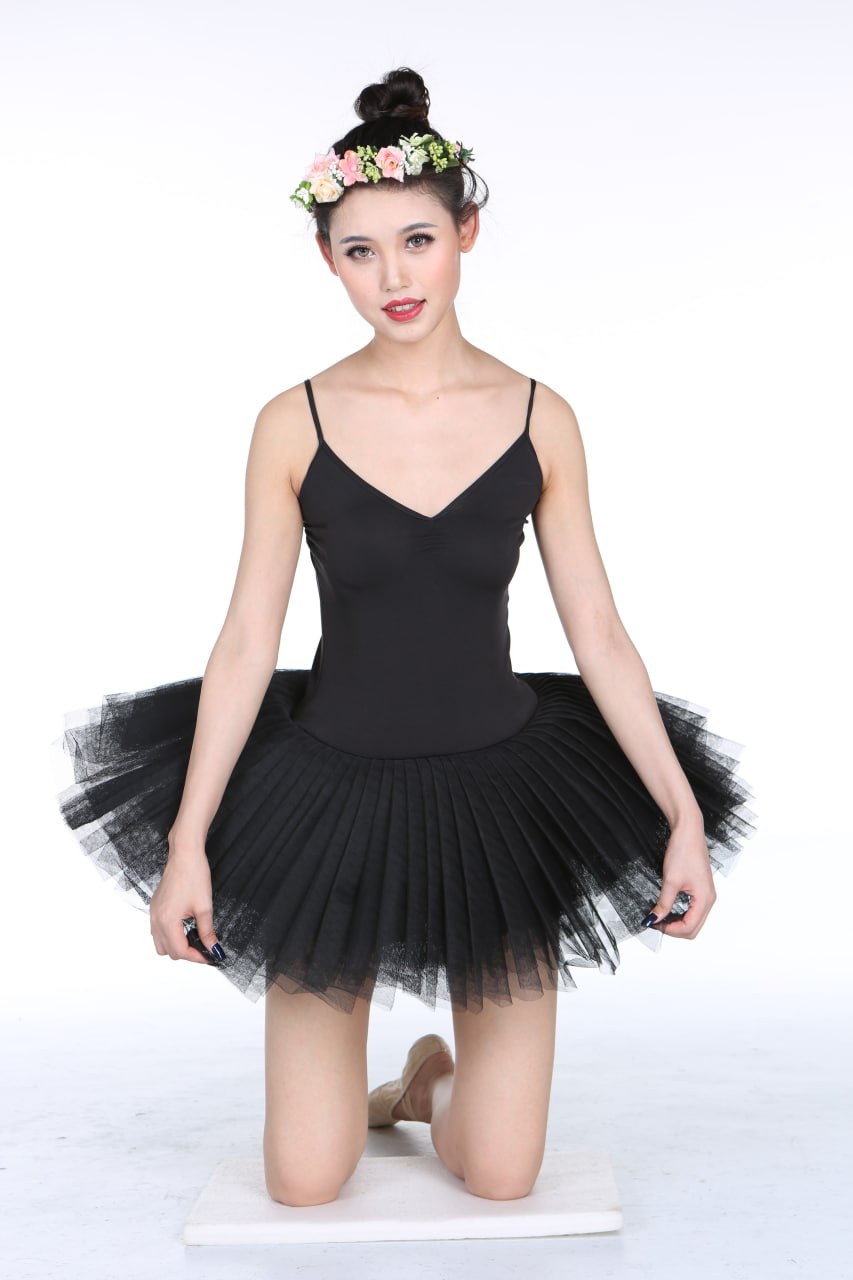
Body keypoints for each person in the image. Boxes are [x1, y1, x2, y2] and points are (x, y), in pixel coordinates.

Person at [54, 66, 756, 1208]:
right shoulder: (292, 422)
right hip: (327, 791)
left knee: (503, 1175)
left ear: (465, 232)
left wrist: (681, 815)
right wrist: (187, 844)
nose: (394, 277)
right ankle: (380, 1089)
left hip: (506, 793)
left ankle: (430, 1081)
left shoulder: (539, 417)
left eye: (417, 241)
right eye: (361, 251)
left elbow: (599, 635)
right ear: (326, 259)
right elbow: (245, 641)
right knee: (303, 1180)